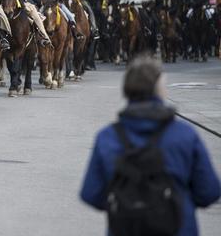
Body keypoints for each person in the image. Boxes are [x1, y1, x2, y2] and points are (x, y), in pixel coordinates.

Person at [80, 56, 220, 236]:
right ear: (160, 90)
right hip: (178, 227)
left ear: (127, 90)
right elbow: (209, 192)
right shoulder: (185, 134)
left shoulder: (108, 137)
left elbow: (91, 194)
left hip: (125, 227)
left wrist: (123, 201)